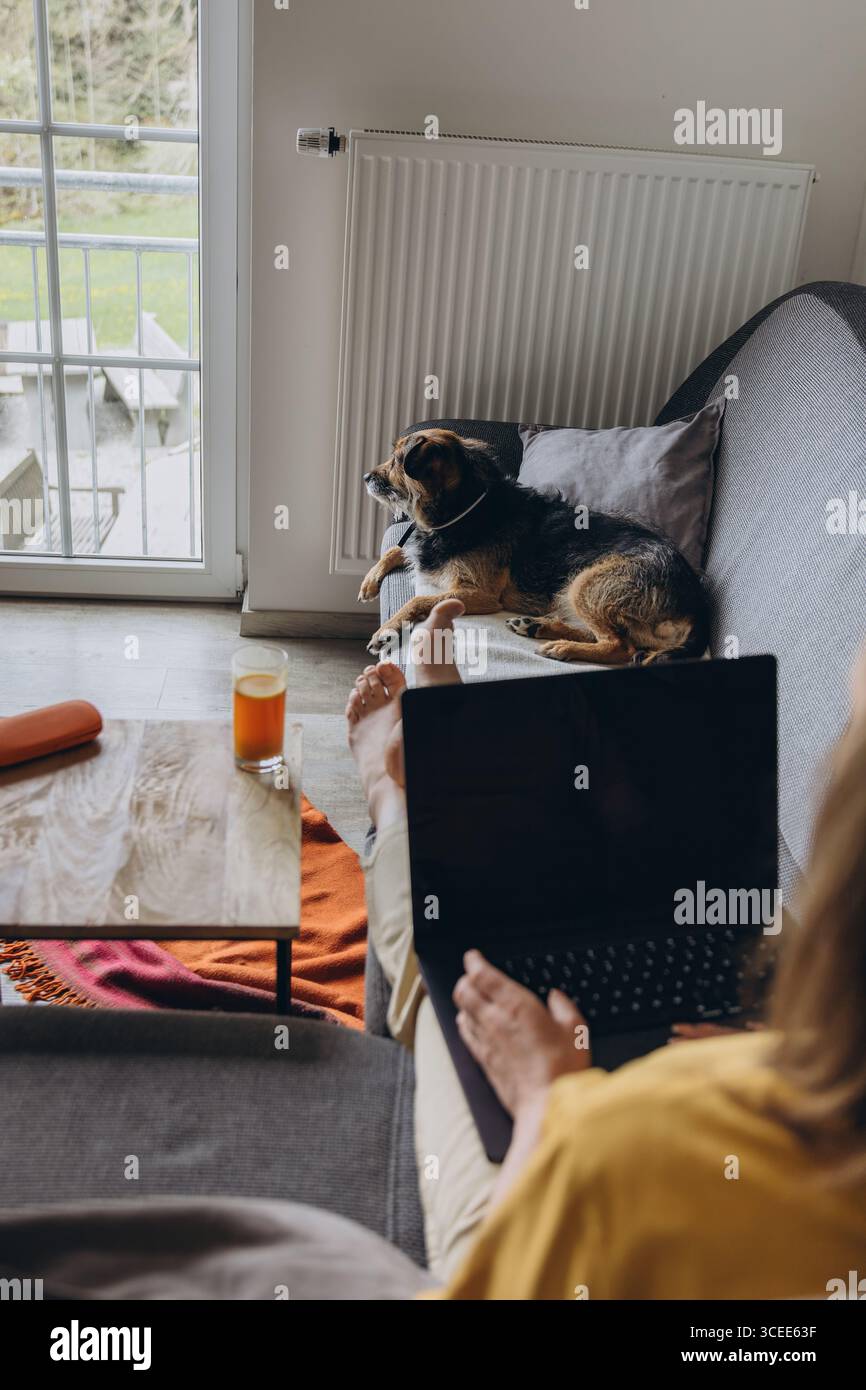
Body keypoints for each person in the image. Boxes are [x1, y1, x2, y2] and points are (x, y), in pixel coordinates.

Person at [347, 600, 866, 1299]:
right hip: (809, 1070)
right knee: (730, 910)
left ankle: (403, 799)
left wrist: (546, 1108)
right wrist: (807, 1050)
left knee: (454, 956)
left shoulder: (611, 1147)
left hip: (577, 1178)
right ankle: (450, 758)